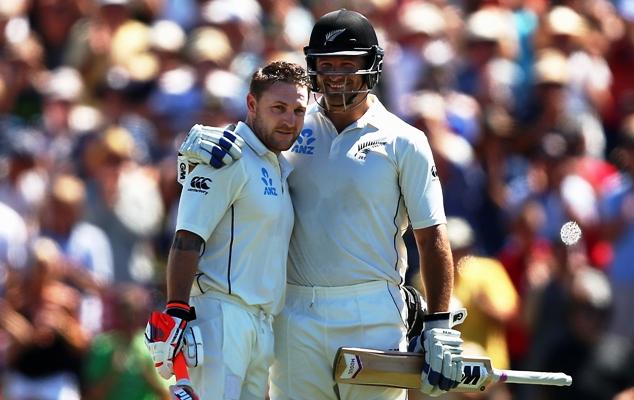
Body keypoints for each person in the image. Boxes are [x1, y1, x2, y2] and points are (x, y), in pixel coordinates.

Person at [178, 9, 464, 400]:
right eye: (325, 65)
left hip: (372, 313)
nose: (335, 76)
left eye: (348, 64)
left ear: (372, 66)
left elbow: (432, 238)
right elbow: (238, 162)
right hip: (294, 314)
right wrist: (197, 149)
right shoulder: (294, 123)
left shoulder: (404, 140)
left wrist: (438, 323)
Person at [144, 61, 309, 400]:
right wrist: (176, 310)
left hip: (262, 325)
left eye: (297, 110)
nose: (289, 120)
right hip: (219, 316)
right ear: (251, 105)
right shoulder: (224, 153)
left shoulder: (278, 165)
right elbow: (187, 237)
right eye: (278, 108)